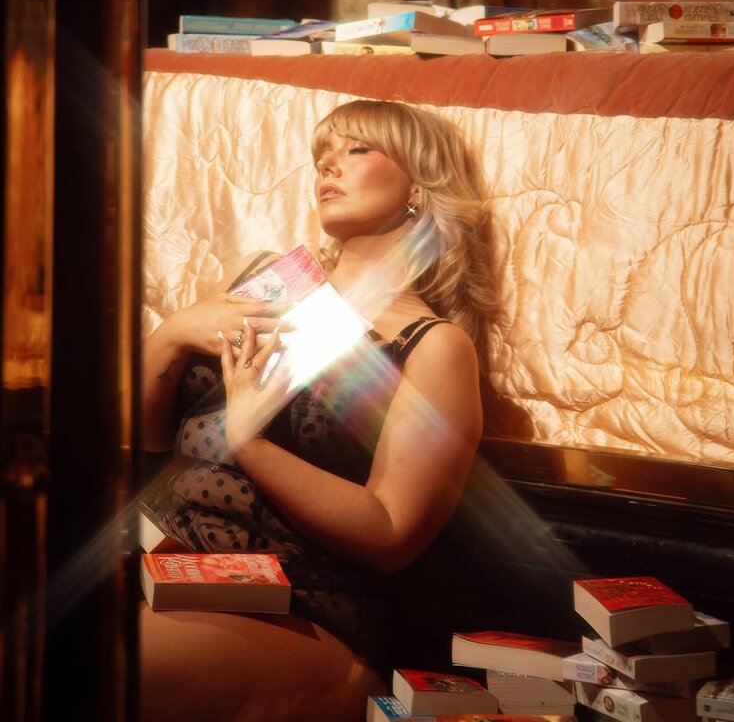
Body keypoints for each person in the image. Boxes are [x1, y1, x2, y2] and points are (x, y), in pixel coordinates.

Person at [139, 98, 501, 722]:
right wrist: (170, 334)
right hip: (163, 565)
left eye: (358, 149)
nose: (329, 166)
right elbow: (135, 441)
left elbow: (391, 535)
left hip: (304, 614)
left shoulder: (432, 346)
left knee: (77, 660)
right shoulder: (265, 279)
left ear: (418, 186)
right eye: (322, 155)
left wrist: (249, 440)